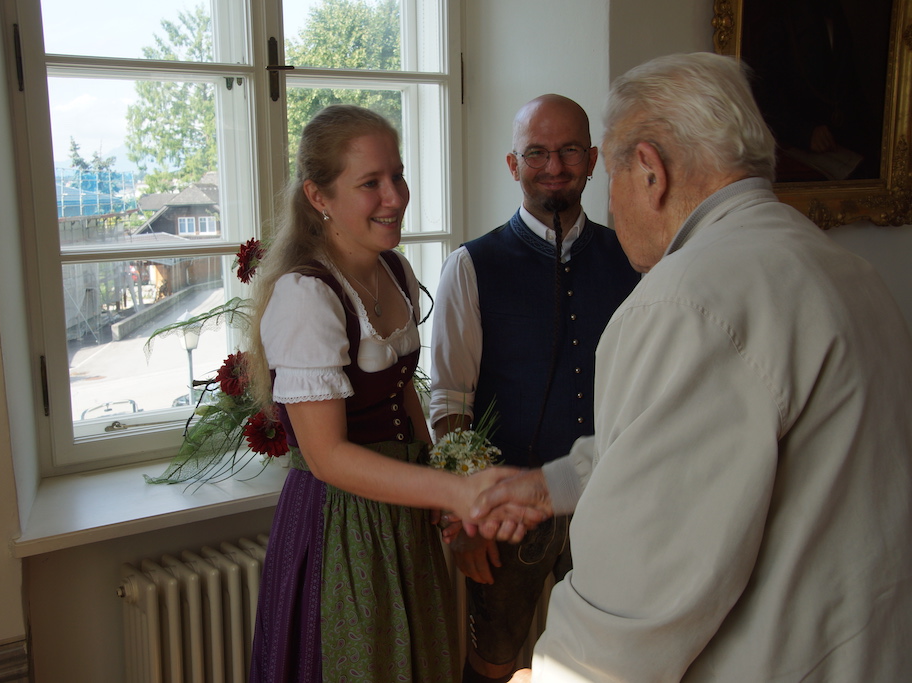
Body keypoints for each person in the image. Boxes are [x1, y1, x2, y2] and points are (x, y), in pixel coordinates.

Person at [471, 52, 912, 681]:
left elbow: (640, 579)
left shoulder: (687, 299)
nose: (612, 204)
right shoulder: (845, 269)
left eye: (611, 179)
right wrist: (550, 485)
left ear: (650, 171)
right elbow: (692, 441)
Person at [245, 104, 531, 683]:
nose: (395, 197)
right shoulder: (306, 296)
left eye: (397, 175)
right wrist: (456, 491)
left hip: (401, 515)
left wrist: (441, 486)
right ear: (319, 197)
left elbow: (404, 396)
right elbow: (327, 457)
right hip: (341, 526)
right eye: (370, 183)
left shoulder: (394, 270)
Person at [430, 94, 638, 682]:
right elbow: (450, 403)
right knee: (492, 663)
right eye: (536, 153)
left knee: (608, 667)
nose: (554, 166)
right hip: (507, 514)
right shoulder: (470, 266)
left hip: (612, 505)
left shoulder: (633, 260)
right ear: (512, 164)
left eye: (569, 150)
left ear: (592, 160)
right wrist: (464, 519)